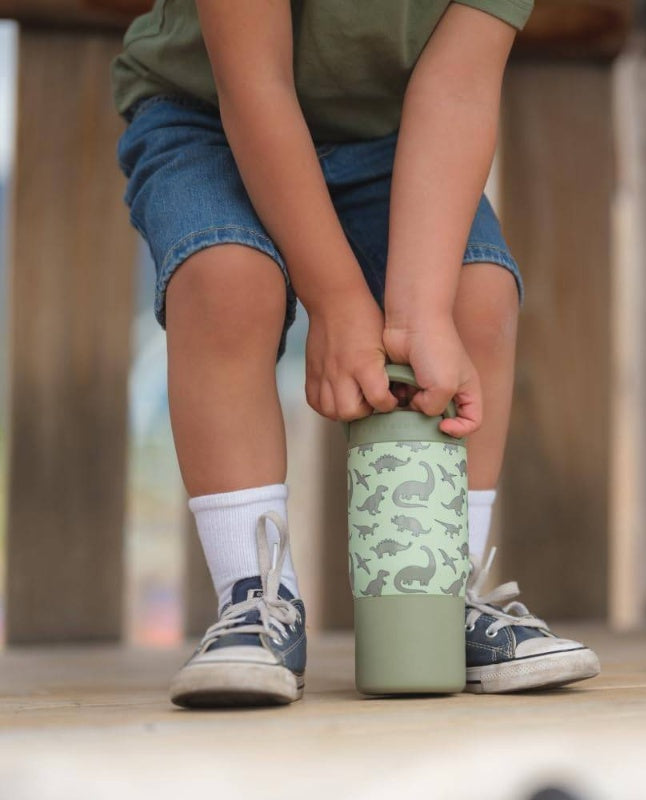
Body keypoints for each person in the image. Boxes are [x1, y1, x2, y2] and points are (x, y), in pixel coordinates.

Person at [111, 0, 600, 708]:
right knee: (226, 279)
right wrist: (339, 304)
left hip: (392, 133)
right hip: (210, 110)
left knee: (476, 297)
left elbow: (458, 87)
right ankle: (255, 599)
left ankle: (438, 596)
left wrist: (420, 313)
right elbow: (256, 84)